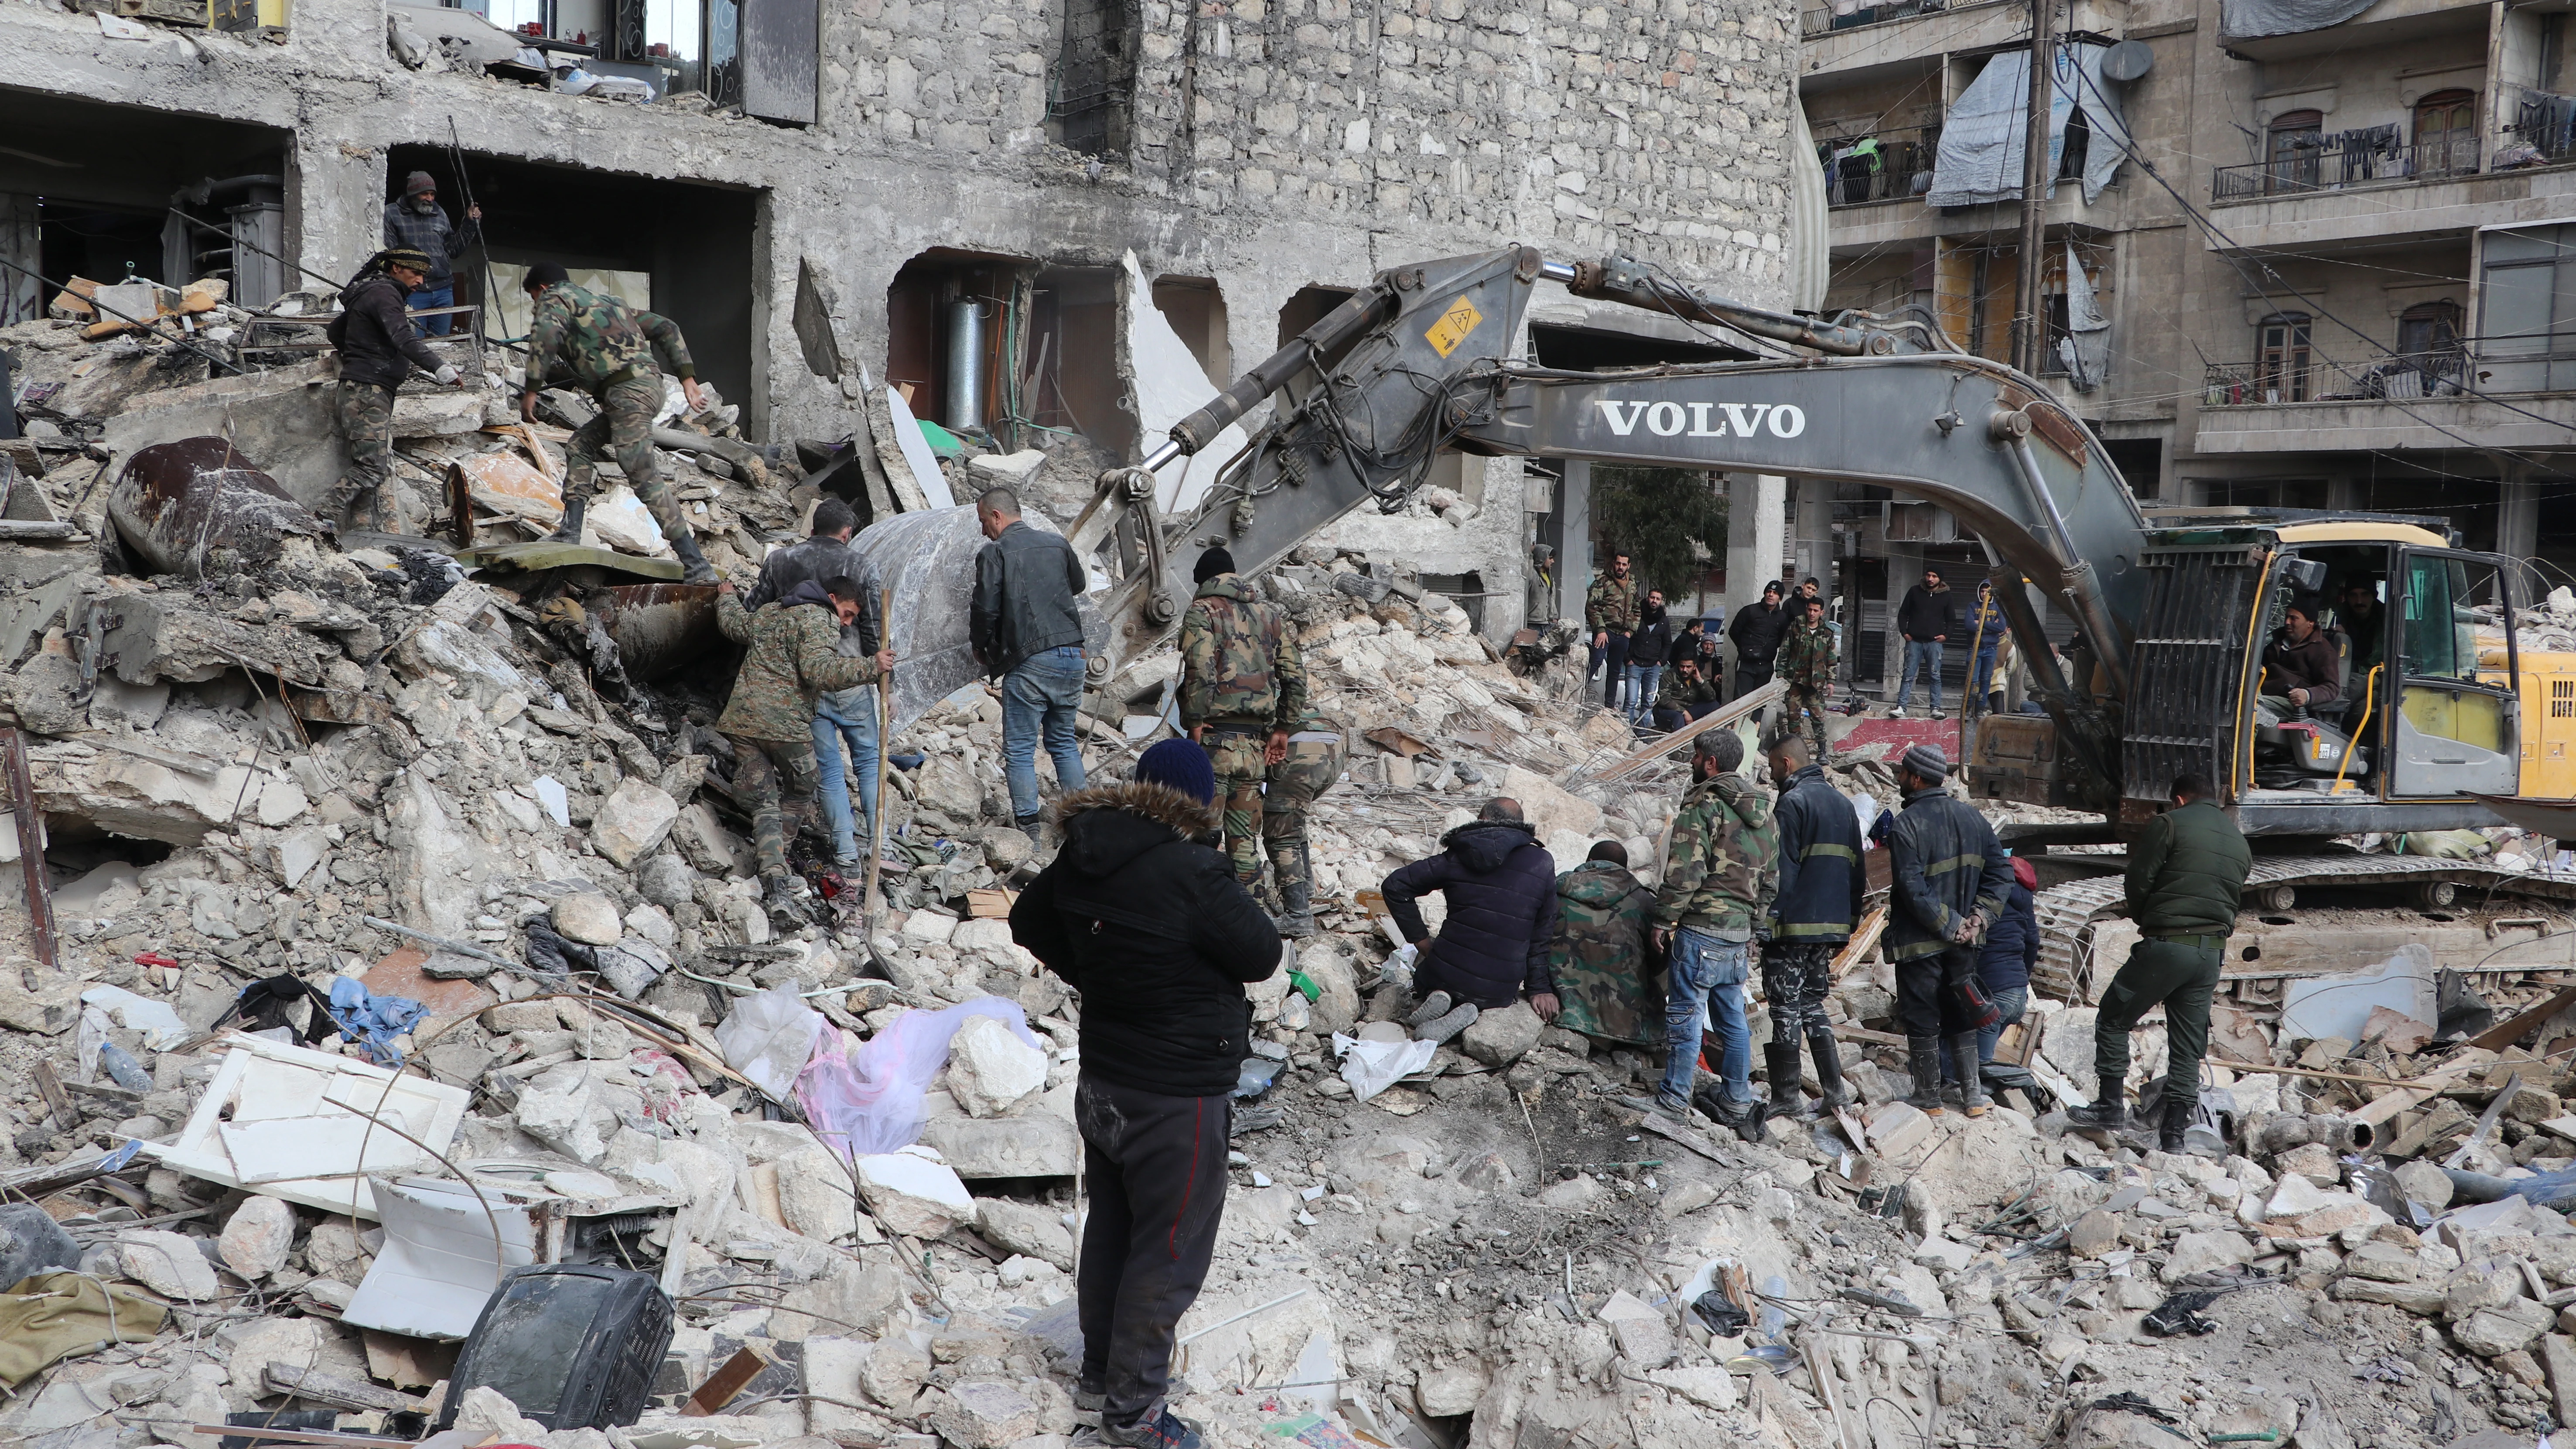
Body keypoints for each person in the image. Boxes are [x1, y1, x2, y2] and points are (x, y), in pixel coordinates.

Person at [1008, 738, 1280, 1449]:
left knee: (1114, 1227)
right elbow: (1261, 953)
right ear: (1197, 801)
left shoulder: (1086, 850)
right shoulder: (1191, 869)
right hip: (1175, 1094)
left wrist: (1099, 974)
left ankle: (1104, 1377)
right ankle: (1135, 1421)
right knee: (1167, 1252)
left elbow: (1027, 921)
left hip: (1104, 1079)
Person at [2068, 773, 2251, 1152]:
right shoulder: (2238, 840)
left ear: (2180, 801)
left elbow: (2139, 878)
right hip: (2211, 954)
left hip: (2169, 945)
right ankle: (2174, 1136)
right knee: (2187, 1045)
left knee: (2114, 1016)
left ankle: (2108, 1107)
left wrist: (2143, 917)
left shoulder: (2169, 824)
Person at [518, 263, 717, 582]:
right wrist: (687, 379)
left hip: (626, 395)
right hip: (645, 390)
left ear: (542, 288)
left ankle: (697, 566)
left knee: (642, 474)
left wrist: (531, 390)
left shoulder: (554, 300)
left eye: (533, 299)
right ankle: (570, 530)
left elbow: (546, 335)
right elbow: (667, 327)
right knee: (581, 445)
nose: (536, 306)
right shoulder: (610, 304)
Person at [714, 572, 895, 918]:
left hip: (744, 722)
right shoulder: (821, 618)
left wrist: (726, 596)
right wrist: (872, 666)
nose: (846, 625)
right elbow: (819, 671)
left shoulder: (771, 612)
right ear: (831, 598)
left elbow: (735, 625)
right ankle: (780, 860)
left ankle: (775, 882)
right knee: (804, 785)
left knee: (764, 802)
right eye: (847, 614)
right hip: (786, 728)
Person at [745, 499, 883, 871]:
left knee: (830, 771)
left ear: (812, 529)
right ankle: (878, 850)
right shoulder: (862, 565)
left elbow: (754, 613)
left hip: (805, 683)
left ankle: (846, 856)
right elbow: (873, 632)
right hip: (851, 677)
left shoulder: (780, 561)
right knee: (869, 762)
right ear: (847, 533)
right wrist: (886, 683)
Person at [1649, 730, 1776, 1135]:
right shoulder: (1765, 815)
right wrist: (1755, 926)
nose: (1691, 762)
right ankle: (1738, 1100)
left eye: (1695, 756)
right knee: (1732, 1019)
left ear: (1710, 764)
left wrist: (1664, 920)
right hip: (1738, 935)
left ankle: (1673, 1100)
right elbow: (1772, 881)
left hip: (1702, 930)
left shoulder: (1704, 805)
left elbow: (1685, 872)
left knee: (1686, 1016)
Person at [1882, 744, 2009, 1117]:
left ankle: (1929, 1097)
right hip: (1966, 943)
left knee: (1921, 1014)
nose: (1899, 777)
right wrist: (1978, 918)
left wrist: (1950, 926)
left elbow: (1912, 887)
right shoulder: (1973, 818)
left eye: (1903, 772)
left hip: (1922, 943)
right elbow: (2001, 875)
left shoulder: (1907, 823)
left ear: (1917, 779)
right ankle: (1972, 1097)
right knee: (1960, 1012)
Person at [1178, 544, 1307, 891]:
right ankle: (1253, 916)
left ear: (1203, 581)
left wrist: (1194, 721)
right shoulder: (1269, 614)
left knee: (1199, 837)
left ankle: (1192, 917)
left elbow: (1200, 670)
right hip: (1254, 751)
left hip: (1214, 744)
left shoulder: (1201, 612)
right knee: (1244, 845)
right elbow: (1295, 677)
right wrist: (1283, 728)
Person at [1380, 799, 1561, 1042]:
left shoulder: (1459, 854)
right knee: (1489, 989)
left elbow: (1395, 886)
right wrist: (1539, 988)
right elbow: (1542, 930)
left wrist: (1422, 942)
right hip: (1498, 989)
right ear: (1520, 826)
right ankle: (1472, 1012)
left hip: (1444, 971)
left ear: (1483, 821)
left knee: (1428, 976)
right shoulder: (1542, 862)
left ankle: (1439, 995)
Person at [971, 487, 1091, 846]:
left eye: (983, 522)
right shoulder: (1057, 544)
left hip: (1031, 662)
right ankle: (1085, 824)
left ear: (997, 516)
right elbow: (1079, 584)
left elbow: (985, 609)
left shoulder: (996, 553)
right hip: (1073, 657)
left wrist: (983, 649)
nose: (983, 531)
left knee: (1021, 749)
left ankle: (1029, 832)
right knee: (1064, 743)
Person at [321, 247, 462, 531]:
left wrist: (362, 353)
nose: (421, 281)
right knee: (372, 467)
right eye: (416, 274)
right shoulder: (386, 295)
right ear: (396, 268)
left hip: (366, 390)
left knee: (367, 465)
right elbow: (403, 337)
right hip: (368, 391)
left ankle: (362, 530)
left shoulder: (370, 293)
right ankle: (321, 517)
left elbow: (336, 332)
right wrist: (441, 368)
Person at [1759, 730, 1861, 1122]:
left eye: (1771, 767)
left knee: (1784, 1007)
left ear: (1787, 764)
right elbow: (1857, 868)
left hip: (1794, 926)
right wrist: (1849, 923)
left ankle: (1786, 1096)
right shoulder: (1843, 804)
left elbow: (1783, 871)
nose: (1770, 775)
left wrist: (1768, 920)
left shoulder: (1791, 803)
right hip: (1831, 926)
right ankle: (1835, 1091)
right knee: (1812, 1004)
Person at [1546, 841, 1658, 1047]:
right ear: (1624, 869)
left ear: (1590, 862)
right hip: (1628, 1021)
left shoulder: (1557, 891)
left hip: (1566, 1010)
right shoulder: (1645, 901)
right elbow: (1660, 960)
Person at [1261, 711, 1345, 938]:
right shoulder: (1263, 683)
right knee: (1292, 818)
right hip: (1335, 751)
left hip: (1301, 755)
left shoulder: (1219, 700)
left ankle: (1298, 915)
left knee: (1281, 834)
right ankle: (1305, 889)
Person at [379, 171, 480, 335]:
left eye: (432, 194)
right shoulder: (392, 213)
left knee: (441, 343)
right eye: (425, 194)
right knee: (413, 342)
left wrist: (470, 223)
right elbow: (391, 254)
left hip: (443, 289)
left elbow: (453, 250)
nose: (430, 199)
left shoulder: (439, 213)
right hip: (413, 291)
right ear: (412, 194)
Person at [1776, 594, 1836, 763]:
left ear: (1822, 612)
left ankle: (1822, 752)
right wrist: (1780, 673)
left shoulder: (1827, 632)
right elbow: (1785, 650)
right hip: (1794, 680)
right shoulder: (1795, 627)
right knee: (1793, 716)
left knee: (1818, 717)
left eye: (1816, 611)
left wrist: (1831, 682)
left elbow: (1831, 659)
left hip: (1815, 683)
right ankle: (1797, 751)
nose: (1812, 613)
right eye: (1809, 609)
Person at [1893, 565, 1956, 719]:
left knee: (1935, 676)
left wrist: (1946, 636)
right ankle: (1901, 707)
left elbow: (1952, 620)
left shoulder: (1946, 596)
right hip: (1914, 641)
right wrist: (1905, 633)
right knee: (1908, 675)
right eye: (1928, 575)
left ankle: (1936, 708)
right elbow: (1903, 613)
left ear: (1940, 579)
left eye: (1934, 576)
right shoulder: (1915, 591)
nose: (1930, 579)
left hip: (1934, 643)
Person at [2259, 595, 2341, 710]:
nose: (2287, 622)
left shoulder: (2322, 650)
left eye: (2294, 618)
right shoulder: (2276, 643)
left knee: (2253, 708)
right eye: (2287, 617)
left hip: (2289, 704)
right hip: (2261, 693)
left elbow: (2332, 688)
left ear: (2310, 623)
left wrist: (2307, 695)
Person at [1585, 552, 1640, 711]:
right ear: (1614, 564)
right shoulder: (1603, 582)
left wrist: (1631, 631)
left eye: (1624, 564)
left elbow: (1637, 609)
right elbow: (1592, 607)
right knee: (1595, 662)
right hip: (1605, 631)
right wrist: (1600, 629)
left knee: (1615, 671)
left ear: (1628, 566)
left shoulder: (1632, 584)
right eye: (1618, 564)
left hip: (1623, 634)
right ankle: (1578, 696)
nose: (1621, 567)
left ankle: (1609, 706)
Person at [1728, 581, 1790, 702]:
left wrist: (1768, 650)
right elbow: (1734, 632)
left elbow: (1782, 640)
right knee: (1740, 703)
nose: (1771, 595)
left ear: (1780, 598)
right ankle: (1738, 722)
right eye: (1769, 592)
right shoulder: (1750, 611)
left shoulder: (1783, 618)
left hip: (1766, 666)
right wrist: (1744, 648)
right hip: (1746, 665)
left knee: (1760, 703)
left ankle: (1757, 722)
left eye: (1775, 593)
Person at [1623, 588, 1672, 726]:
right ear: (1647, 598)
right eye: (1652, 598)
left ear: (1661, 602)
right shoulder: (1637, 616)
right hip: (1635, 665)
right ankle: (1626, 730)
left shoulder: (1664, 621)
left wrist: (1661, 662)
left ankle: (1643, 732)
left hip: (1653, 667)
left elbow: (1668, 644)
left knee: (1648, 702)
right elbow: (1625, 638)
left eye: (1658, 599)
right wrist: (1628, 659)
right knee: (1631, 701)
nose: (1654, 601)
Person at [1962, 579, 2007, 717]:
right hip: (1975, 648)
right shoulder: (1972, 606)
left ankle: (1980, 710)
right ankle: (1968, 709)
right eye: (1982, 591)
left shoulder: (1998, 607)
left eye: (1988, 591)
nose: (1984, 594)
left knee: (1986, 680)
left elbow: (2002, 627)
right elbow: (1969, 626)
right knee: (1973, 679)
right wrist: (1991, 626)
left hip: (1991, 649)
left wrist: (1980, 624)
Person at [1651, 656, 1720, 733]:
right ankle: (1681, 743)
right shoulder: (1669, 675)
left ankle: (1711, 737)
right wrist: (1683, 712)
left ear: (1695, 667)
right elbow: (1664, 699)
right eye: (1682, 666)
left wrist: (1700, 681)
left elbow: (1712, 697)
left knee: (1714, 705)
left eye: (1689, 667)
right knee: (1679, 717)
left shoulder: (1698, 676)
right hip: (1667, 711)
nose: (1685, 670)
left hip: (1689, 709)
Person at [2335, 578, 2384, 674]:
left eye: (2365, 595)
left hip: (2377, 675)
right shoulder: (2338, 618)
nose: (2359, 601)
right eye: (2353, 595)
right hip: (2343, 673)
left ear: (2375, 596)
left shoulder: (2389, 621)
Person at [1526, 543, 1557, 625]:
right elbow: (1526, 562)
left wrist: (1554, 616)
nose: (1553, 561)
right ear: (1542, 558)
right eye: (1550, 558)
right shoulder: (1532, 574)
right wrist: (1530, 551)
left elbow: (1551, 598)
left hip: (1547, 623)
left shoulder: (1550, 577)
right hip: (1533, 622)